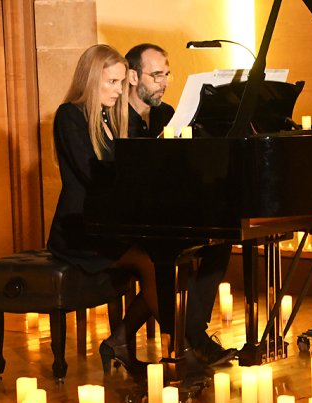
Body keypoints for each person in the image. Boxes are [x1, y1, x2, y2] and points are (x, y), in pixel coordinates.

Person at [47, 44, 159, 379]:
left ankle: (121, 341)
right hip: (78, 228)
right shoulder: (70, 115)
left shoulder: (112, 118)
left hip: (107, 224)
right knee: (151, 261)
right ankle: (180, 346)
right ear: (91, 79)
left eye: (121, 83)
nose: (117, 90)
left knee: (163, 260)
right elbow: (91, 174)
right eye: (110, 82)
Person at [125, 43, 237, 367]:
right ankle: (193, 340)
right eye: (156, 75)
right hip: (133, 220)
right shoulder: (120, 118)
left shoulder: (167, 114)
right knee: (162, 255)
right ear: (133, 76)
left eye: (167, 74)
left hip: (164, 213)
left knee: (222, 237)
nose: (164, 82)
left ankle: (193, 329)